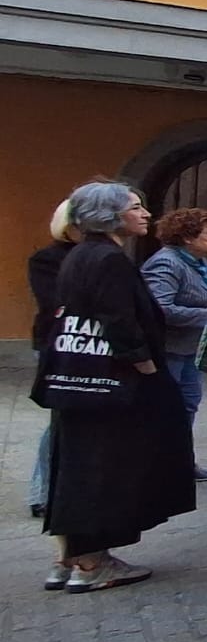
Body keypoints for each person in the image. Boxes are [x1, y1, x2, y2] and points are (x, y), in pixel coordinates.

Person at [37, 183, 196, 592]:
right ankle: (91, 562)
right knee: (101, 467)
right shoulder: (108, 259)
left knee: (80, 463)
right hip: (112, 384)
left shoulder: (81, 255)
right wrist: (145, 368)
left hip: (81, 381)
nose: (145, 214)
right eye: (136, 207)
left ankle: (73, 558)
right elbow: (118, 320)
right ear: (111, 216)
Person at [141, 208, 207, 481]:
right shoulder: (167, 263)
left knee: (187, 406)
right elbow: (160, 308)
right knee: (165, 410)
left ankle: (180, 462)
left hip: (189, 349)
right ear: (188, 237)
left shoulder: (196, 263)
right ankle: (155, 465)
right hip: (169, 350)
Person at [26, 198, 79, 520]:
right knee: (59, 418)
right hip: (56, 341)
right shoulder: (47, 259)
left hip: (85, 343)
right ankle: (42, 492)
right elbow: (54, 302)